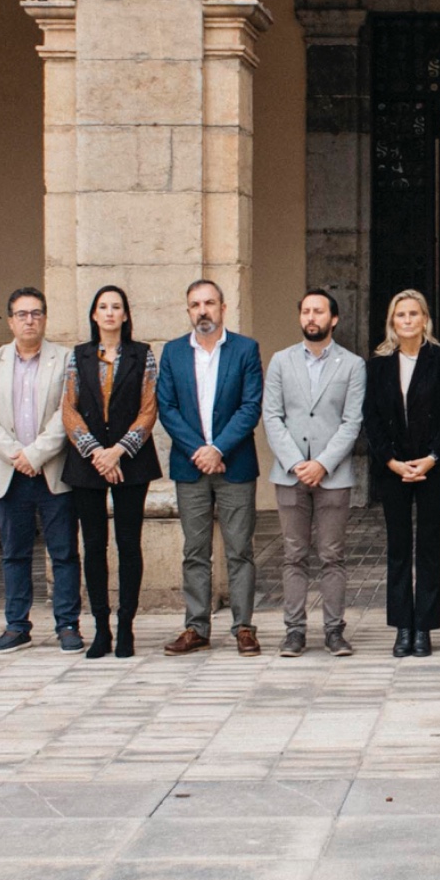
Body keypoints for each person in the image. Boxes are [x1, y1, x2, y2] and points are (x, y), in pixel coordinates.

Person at [155, 279, 264, 656]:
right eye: (195, 304)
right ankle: (196, 626)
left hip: (234, 465)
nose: (203, 310)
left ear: (223, 307)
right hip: (190, 467)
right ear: (188, 310)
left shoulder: (246, 349)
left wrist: (218, 448)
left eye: (209, 303)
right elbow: (166, 408)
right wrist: (199, 450)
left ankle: (244, 627)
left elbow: (251, 407)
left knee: (239, 550)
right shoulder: (172, 353)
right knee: (195, 550)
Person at [0, 286, 83, 652]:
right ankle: (17, 625)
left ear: (45, 317)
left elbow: (65, 414)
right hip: (8, 472)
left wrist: (34, 455)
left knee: (63, 552)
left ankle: (68, 624)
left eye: (36, 313)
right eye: (22, 314)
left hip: (51, 470)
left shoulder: (66, 359)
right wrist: (15, 454)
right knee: (15, 553)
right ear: (10, 320)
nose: (29, 320)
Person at [264, 288, 366, 658]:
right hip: (290, 474)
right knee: (293, 555)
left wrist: (322, 463)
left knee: (332, 555)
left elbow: (352, 420)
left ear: (333, 319)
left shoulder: (353, 365)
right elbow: (272, 416)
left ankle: (335, 631)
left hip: (333, 475)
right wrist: (296, 463)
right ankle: (294, 632)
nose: (311, 318)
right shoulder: (280, 361)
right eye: (305, 311)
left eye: (318, 311)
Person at [60, 284, 157, 659]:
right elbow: (69, 409)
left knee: (129, 544)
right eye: (103, 307)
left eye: (117, 306)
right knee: (94, 546)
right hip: (88, 463)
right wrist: (96, 452)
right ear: (94, 315)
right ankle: (101, 627)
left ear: (126, 315)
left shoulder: (143, 355)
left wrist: (117, 451)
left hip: (130, 460)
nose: (110, 313)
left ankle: (126, 626)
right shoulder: (79, 356)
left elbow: (149, 409)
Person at [366, 290, 440, 658]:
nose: (406, 320)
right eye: (399, 315)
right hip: (393, 469)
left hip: (431, 468)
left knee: (429, 546)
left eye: (413, 314)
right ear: (392, 322)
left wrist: (432, 457)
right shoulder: (377, 365)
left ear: (425, 319)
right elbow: (371, 418)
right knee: (399, 547)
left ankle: (424, 627)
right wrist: (390, 460)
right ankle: (402, 626)